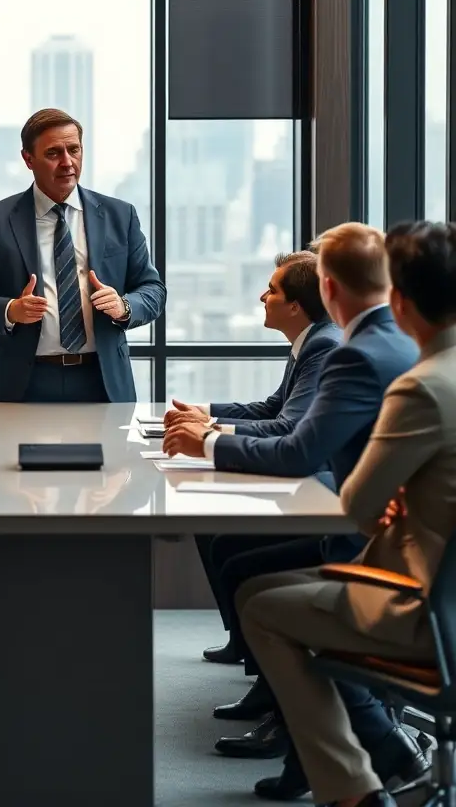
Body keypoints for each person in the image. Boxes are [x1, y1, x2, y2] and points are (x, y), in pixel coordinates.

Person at [163, 223, 424, 797]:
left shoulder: (353, 354)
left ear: (326, 289)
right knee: (251, 582)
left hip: (381, 564)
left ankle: (378, 745)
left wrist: (207, 440)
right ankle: (345, 750)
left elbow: (300, 448)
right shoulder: (404, 344)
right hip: (409, 553)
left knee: (258, 593)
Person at [238, 220, 456, 807]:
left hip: (421, 608)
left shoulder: (421, 385)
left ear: (401, 300)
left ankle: (353, 787)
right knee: (264, 582)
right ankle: (379, 760)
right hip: (442, 595)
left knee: (259, 606)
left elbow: (357, 506)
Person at [167, 250, 341, 664]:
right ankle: (246, 644)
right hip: (303, 476)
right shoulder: (308, 339)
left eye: (272, 290)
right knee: (211, 529)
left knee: (230, 545)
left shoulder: (323, 346)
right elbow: (272, 408)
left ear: (296, 306)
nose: (262, 297)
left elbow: (287, 429)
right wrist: (207, 414)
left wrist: (208, 436)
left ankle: (260, 662)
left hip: (316, 485)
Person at [0, 108, 166, 402]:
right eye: (53, 153)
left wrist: (124, 306)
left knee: (114, 451)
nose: (67, 162)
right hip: (23, 382)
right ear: (29, 159)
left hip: (102, 380)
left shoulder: (120, 215)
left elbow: (153, 289)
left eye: (74, 150)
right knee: (9, 451)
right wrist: (10, 310)